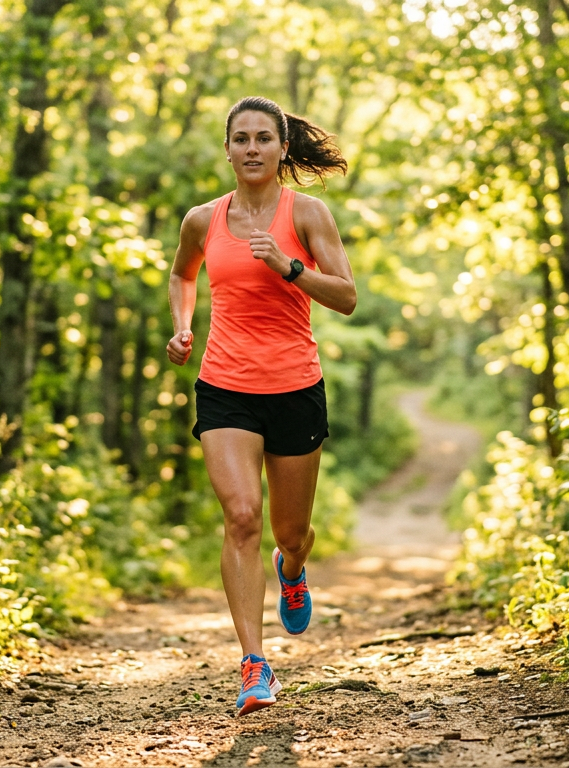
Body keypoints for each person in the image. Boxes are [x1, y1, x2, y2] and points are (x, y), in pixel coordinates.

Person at [165, 96, 355, 716]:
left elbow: (347, 296)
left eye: (263, 139)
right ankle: (254, 665)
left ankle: (292, 569)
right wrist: (183, 326)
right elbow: (182, 274)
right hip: (225, 386)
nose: (251, 148)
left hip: (295, 388)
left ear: (281, 149)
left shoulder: (307, 213)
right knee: (241, 515)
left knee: (288, 531)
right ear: (227, 149)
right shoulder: (203, 219)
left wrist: (290, 267)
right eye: (240, 138)